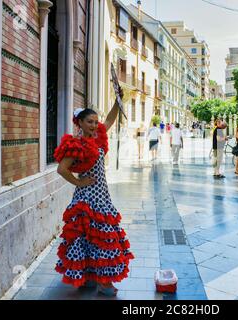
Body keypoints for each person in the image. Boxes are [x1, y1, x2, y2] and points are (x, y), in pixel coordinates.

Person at [53, 87, 134, 297]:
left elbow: (109, 120)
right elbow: (61, 169)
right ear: (79, 122)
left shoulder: (97, 138)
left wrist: (118, 101)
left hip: (102, 194)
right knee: (93, 237)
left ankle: (95, 278)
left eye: (95, 121)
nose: (94, 125)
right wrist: (79, 184)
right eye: (89, 121)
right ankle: (98, 281)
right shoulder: (76, 144)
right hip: (87, 197)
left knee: (96, 237)